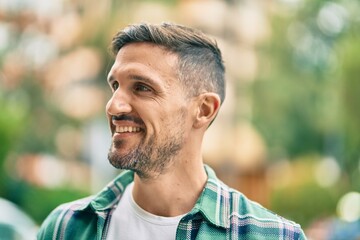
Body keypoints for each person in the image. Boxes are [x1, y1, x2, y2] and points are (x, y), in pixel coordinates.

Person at [37, 22, 307, 240]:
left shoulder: (276, 236)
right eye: (115, 85)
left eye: (142, 87)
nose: (113, 105)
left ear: (203, 110)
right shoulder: (64, 228)